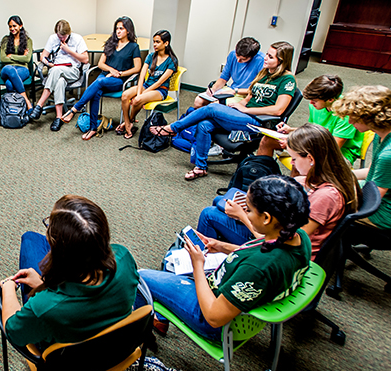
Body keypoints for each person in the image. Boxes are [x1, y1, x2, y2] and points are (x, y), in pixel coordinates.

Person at [141, 176, 312, 340]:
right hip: (229, 292)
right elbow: (258, 254)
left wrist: (198, 266)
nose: (245, 213)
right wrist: (222, 246)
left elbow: (214, 317)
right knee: (172, 259)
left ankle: (134, 339)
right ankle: (160, 318)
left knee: (139, 277)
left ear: (267, 218)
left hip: (214, 319)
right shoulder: (297, 237)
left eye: (249, 210)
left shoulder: (258, 268)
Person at [200, 124, 361, 258]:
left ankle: (206, 263)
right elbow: (293, 184)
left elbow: (281, 243)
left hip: (285, 254)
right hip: (285, 229)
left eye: (294, 159)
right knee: (221, 202)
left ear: (311, 159)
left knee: (209, 214)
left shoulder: (326, 197)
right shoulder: (331, 174)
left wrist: (242, 216)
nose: (292, 163)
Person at [0, 195, 139, 347]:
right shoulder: (124, 257)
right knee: (33, 239)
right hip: (112, 344)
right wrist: (42, 283)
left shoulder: (43, 308)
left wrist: (8, 287)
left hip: (66, 360)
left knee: (30, 239)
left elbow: (12, 331)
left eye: (49, 227)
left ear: (61, 253)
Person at [151, 41, 296, 180]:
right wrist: (242, 105)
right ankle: (200, 167)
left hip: (258, 121)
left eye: (270, 56)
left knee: (213, 108)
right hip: (244, 115)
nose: (265, 58)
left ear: (282, 61)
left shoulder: (287, 80)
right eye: (267, 54)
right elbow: (250, 97)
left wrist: (245, 110)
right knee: (204, 125)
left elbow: (278, 110)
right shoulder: (264, 73)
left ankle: (173, 128)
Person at [61, 16, 142, 140]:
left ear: (128, 31)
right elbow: (100, 64)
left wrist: (119, 73)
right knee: (96, 91)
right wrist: (111, 70)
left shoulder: (133, 47)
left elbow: (137, 68)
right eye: (116, 29)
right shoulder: (111, 42)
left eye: (121, 28)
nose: (118, 31)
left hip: (118, 80)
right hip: (105, 76)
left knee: (99, 82)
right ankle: (93, 128)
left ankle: (74, 109)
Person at [258, 75, 364, 165]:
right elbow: (313, 131)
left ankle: (295, 186)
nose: (311, 103)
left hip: (337, 154)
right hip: (315, 144)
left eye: (315, 101)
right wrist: (291, 130)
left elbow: (332, 147)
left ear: (330, 100)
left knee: (300, 159)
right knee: (267, 140)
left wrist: (294, 145)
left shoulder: (346, 113)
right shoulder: (316, 106)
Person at [333, 85, 391, 229]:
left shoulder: (388, 155)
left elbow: (370, 202)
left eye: (354, 118)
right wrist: (333, 176)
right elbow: (371, 172)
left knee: (324, 208)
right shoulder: (381, 133)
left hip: (383, 213)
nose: (350, 122)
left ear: (370, 117)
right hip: (375, 195)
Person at [28, 19, 89, 131]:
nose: (61, 39)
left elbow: (85, 59)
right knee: (60, 80)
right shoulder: (53, 38)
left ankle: (39, 105)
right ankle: (59, 117)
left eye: (64, 37)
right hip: (56, 70)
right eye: (59, 36)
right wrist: (48, 63)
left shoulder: (77, 39)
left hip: (72, 70)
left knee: (56, 71)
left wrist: (69, 51)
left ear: (69, 33)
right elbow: (43, 56)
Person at [116, 30, 177, 139]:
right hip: (147, 86)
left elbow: (159, 82)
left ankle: (128, 124)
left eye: (158, 42)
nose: (154, 44)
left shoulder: (171, 60)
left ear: (166, 43)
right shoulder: (151, 56)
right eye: (154, 42)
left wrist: (140, 95)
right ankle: (128, 122)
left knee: (137, 100)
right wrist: (140, 92)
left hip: (160, 90)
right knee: (125, 95)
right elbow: (142, 76)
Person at [193, 37, 264, 109]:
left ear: (252, 56)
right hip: (232, 90)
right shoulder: (232, 55)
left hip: (246, 94)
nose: (238, 60)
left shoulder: (261, 61)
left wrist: (235, 91)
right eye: (237, 56)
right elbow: (223, 78)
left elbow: (257, 89)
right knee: (198, 101)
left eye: (243, 59)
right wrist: (213, 89)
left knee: (214, 105)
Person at [0, 16, 34, 111]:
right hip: (7, 69)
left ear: (20, 26)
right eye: (10, 26)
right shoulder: (5, 40)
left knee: (9, 83)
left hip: (23, 69)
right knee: (10, 69)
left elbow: (27, 59)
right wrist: (21, 57)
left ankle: (15, 108)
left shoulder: (28, 40)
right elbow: (3, 59)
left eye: (14, 26)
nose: (12, 29)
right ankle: (27, 102)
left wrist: (11, 56)